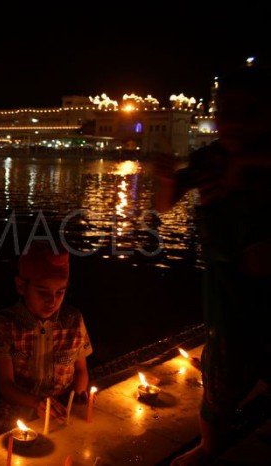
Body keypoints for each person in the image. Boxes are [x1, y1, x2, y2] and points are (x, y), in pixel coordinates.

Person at [156, 64, 271, 465]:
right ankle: (210, 445)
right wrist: (166, 180)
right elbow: (165, 204)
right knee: (224, 355)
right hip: (225, 278)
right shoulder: (210, 160)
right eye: (226, 111)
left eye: (249, 111)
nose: (234, 122)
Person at [0, 241, 92, 435]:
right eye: (43, 292)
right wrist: (37, 403)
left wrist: (77, 397)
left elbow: (81, 370)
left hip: (61, 410)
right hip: (18, 412)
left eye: (60, 292)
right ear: (21, 286)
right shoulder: (6, 323)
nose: (52, 301)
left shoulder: (73, 320)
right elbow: (6, 386)